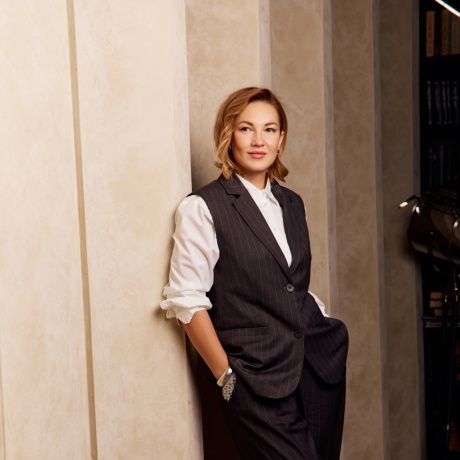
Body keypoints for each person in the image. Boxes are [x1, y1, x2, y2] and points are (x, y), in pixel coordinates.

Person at [160, 87, 348, 460]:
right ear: (228, 135)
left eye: (269, 129)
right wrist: (226, 378)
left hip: (316, 369)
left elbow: (291, 284)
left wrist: (323, 323)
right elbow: (187, 300)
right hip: (255, 380)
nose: (259, 140)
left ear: (281, 139)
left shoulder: (292, 204)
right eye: (246, 129)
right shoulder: (203, 207)